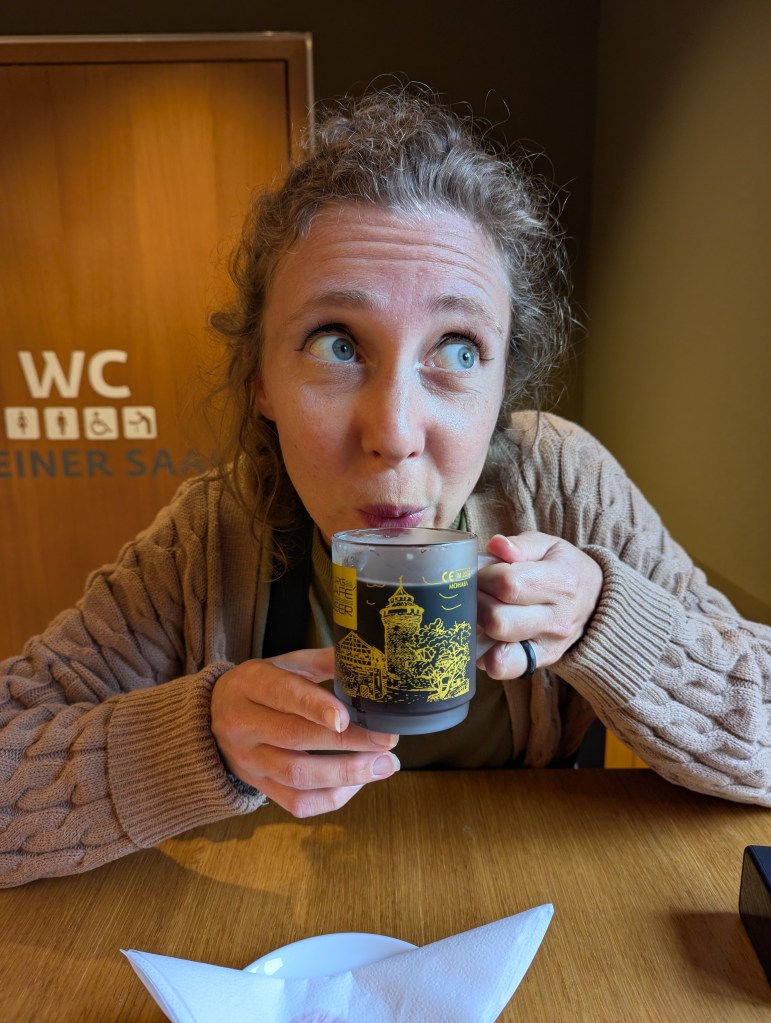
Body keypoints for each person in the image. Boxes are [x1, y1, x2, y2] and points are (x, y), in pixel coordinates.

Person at [1, 86, 769, 889]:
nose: (395, 431)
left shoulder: (562, 485)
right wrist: (195, 737)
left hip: (518, 906)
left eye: (460, 351)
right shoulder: (210, 538)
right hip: (270, 924)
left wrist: (608, 620)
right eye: (336, 343)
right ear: (260, 378)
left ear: (504, 386)